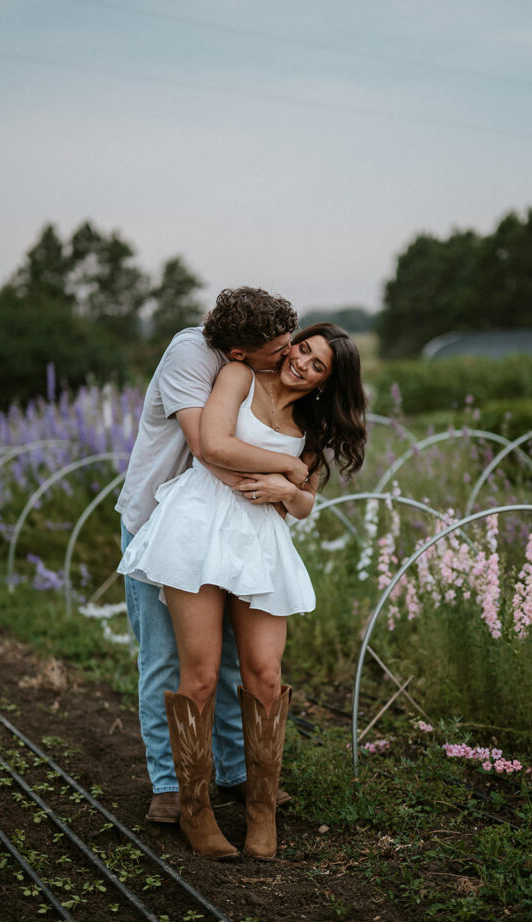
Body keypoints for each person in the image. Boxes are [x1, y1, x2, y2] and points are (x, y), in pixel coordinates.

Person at [118, 324, 367, 859]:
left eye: (318, 363)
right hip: (199, 523)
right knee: (201, 673)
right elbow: (215, 444)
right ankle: (195, 810)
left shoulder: (313, 422)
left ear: (328, 381)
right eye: (303, 347)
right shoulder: (238, 375)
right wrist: (285, 466)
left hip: (260, 538)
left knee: (264, 672)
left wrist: (289, 490)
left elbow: (303, 506)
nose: (301, 361)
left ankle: (260, 811)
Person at [116, 287, 303, 826]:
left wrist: (295, 481)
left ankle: (234, 772)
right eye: (279, 348)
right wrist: (287, 474)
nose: (289, 355)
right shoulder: (189, 357)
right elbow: (209, 449)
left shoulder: (259, 366)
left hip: (224, 527)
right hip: (159, 523)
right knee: (166, 658)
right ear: (240, 353)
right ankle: (171, 785)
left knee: (226, 661)